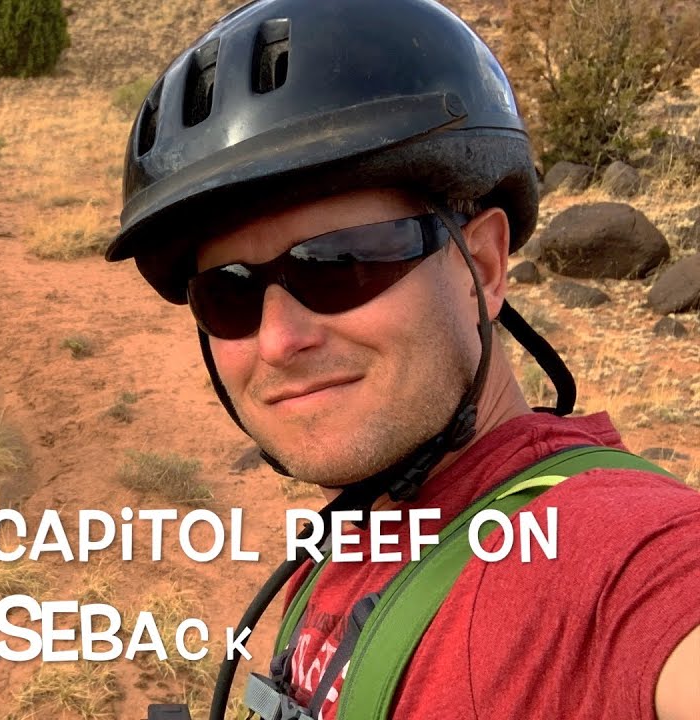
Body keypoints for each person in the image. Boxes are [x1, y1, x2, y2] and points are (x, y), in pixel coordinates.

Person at [99, 1, 700, 719]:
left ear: (481, 263)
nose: (278, 340)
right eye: (227, 294)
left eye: (338, 263)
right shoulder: (352, 531)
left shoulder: (622, 557)